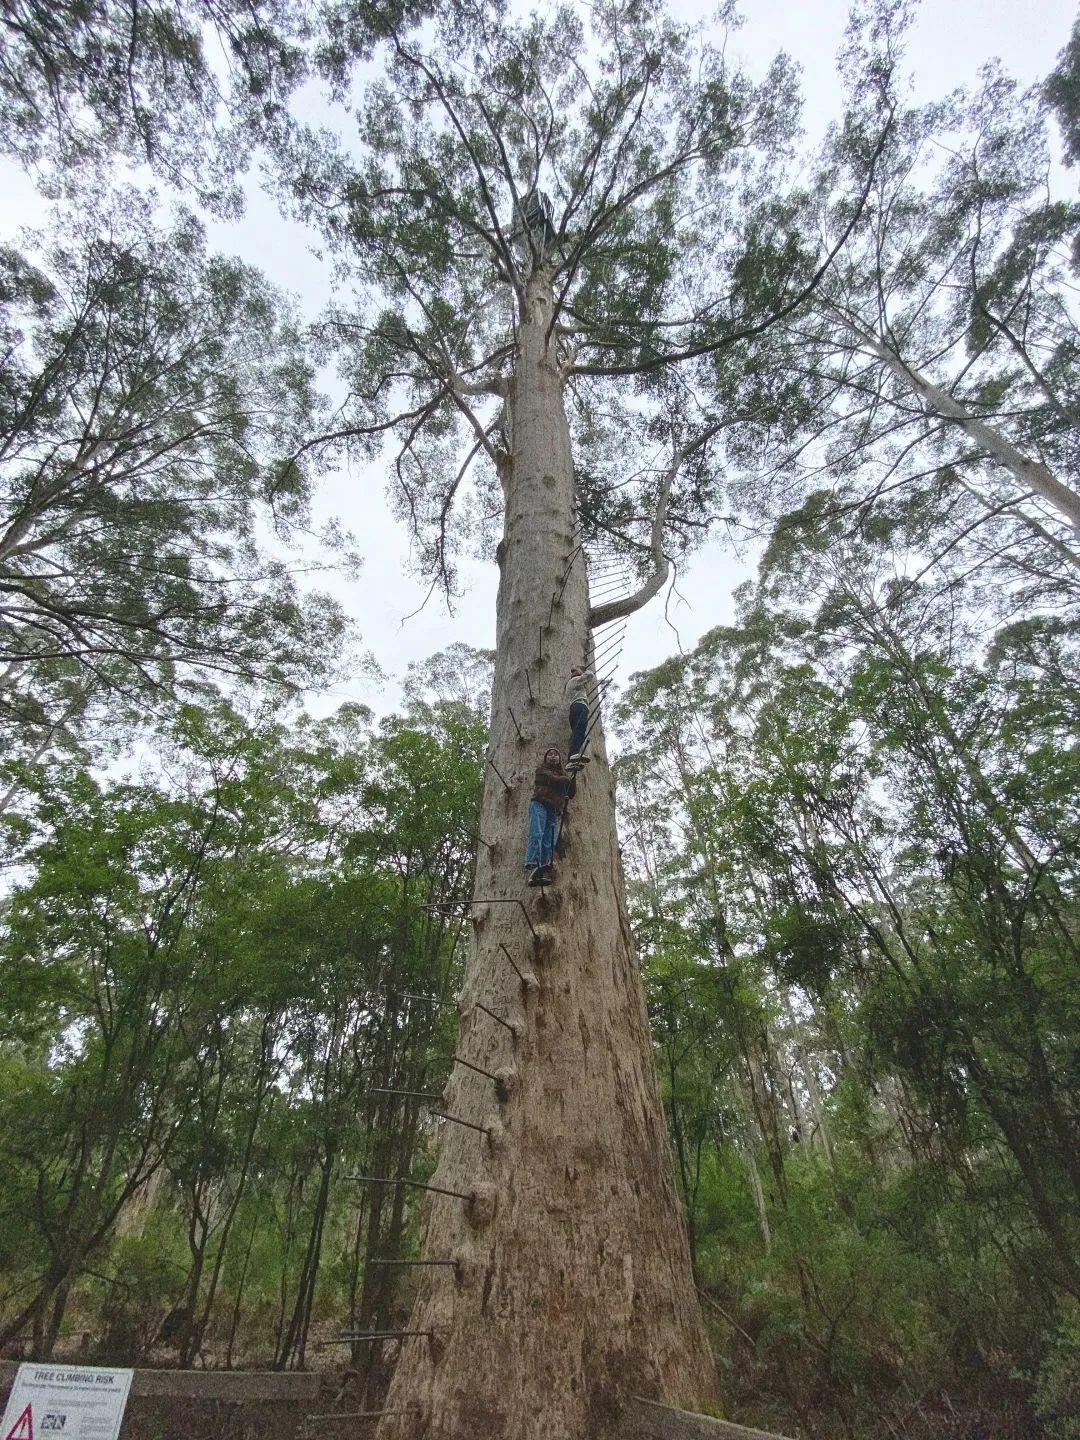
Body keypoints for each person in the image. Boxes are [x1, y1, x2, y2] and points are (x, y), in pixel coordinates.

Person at [524, 746, 576, 886]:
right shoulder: (541, 770)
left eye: (556, 755)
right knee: (537, 833)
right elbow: (551, 779)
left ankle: (540, 870)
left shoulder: (563, 775)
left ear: (559, 759)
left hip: (555, 810)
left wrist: (573, 777)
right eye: (550, 754)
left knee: (549, 840)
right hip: (540, 803)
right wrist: (565, 779)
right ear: (545, 758)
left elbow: (571, 793)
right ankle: (533, 862)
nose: (553, 756)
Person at [564, 663, 595, 768]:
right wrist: (584, 671)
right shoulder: (574, 681)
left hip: (575, 708)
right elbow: (590, 675)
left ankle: (571, 762)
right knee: (579, 731)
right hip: (579, 706)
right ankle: (573, 755)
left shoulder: (573, 685)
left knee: (578, 732)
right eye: (578, 671)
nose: (579, 672)